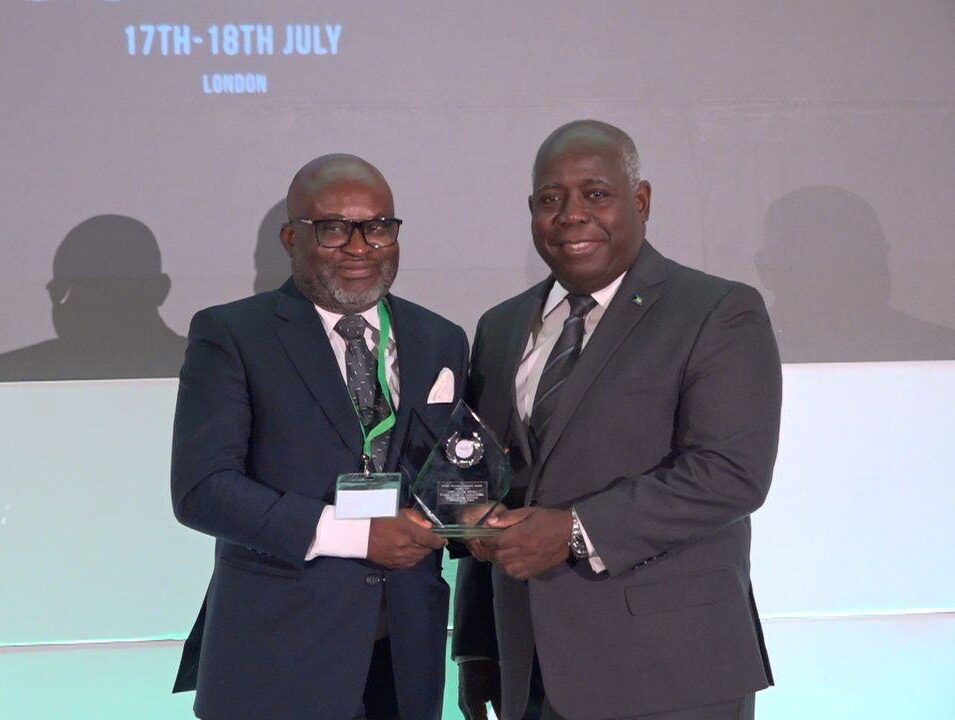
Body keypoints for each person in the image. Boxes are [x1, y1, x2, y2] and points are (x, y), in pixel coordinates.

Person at [454, 120, 782, 720]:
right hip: (531, 668)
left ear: (642, 201)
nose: (571, 215)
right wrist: (477, 647)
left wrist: (574, 532)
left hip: (672, 671)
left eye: (596, 193)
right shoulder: (500, 327)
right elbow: (488, 481)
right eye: (550, 199)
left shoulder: (717, 311)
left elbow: (730, 474)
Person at [170, 154, 468, 720]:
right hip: (278, 655)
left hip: (406, 651)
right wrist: (356, 535)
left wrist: (475, 513)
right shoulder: (232, 334)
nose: (360, 247)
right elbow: (203, 490)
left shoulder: (440, 337)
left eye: (378, 227)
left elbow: (449, 476)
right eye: (334, 229)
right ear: (292, 238)